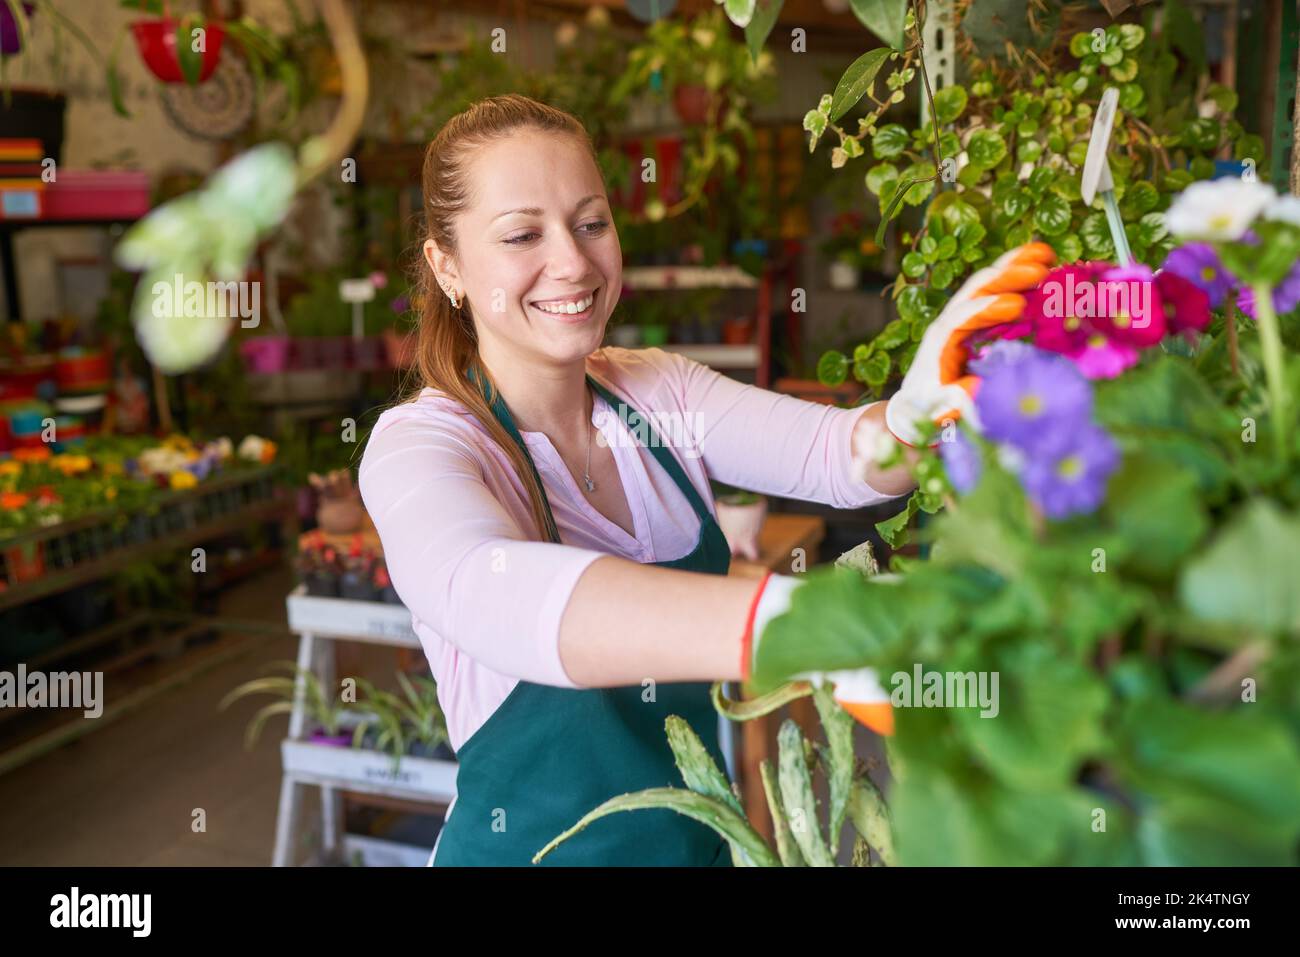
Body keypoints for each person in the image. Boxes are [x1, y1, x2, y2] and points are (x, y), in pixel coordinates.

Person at [358, 94, 1054, 866]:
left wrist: (917, 415)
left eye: (591, 223)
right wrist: (808, 627)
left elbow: (838, 456)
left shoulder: (660, 394)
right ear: (446, 265)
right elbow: (490, 589)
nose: (575, 261)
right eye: (523, 234)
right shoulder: (422, 446)